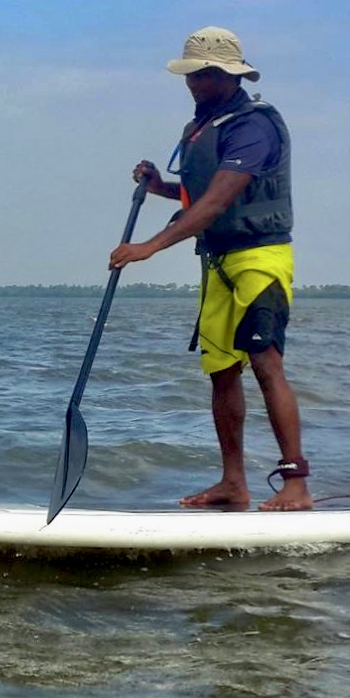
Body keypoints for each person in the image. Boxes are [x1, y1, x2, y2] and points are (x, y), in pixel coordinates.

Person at [108, 26, 311, 511]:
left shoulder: (253, 125)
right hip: (216, 261)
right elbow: (195, 195)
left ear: (230, 75)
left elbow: (219, 199)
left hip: (259, 258)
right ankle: (232, 483)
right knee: (221, 372)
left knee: (265, 363)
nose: (194, 83)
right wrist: (159, 185)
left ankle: (296, 484)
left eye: (205, 75)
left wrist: (149, 247)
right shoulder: (202, 127)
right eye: (191, 74)